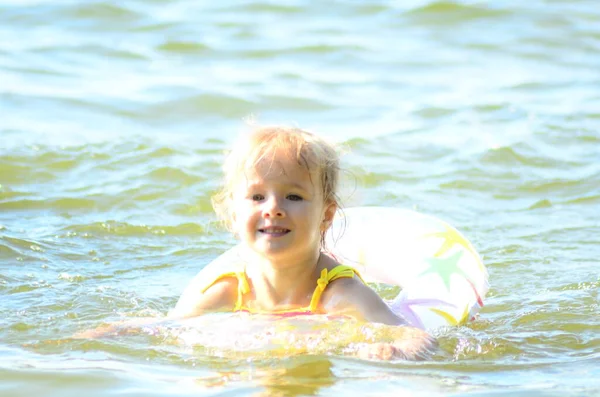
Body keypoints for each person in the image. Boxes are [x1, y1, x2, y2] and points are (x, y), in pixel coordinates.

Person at [168, 125, 437, 360]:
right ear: (236, 215)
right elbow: (165, 328)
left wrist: (395, 351)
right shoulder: (231, 288)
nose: (273, 209)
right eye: (257, 197)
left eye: (293, 197)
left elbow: (415, 336)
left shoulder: (340, 294)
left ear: (326, 215)